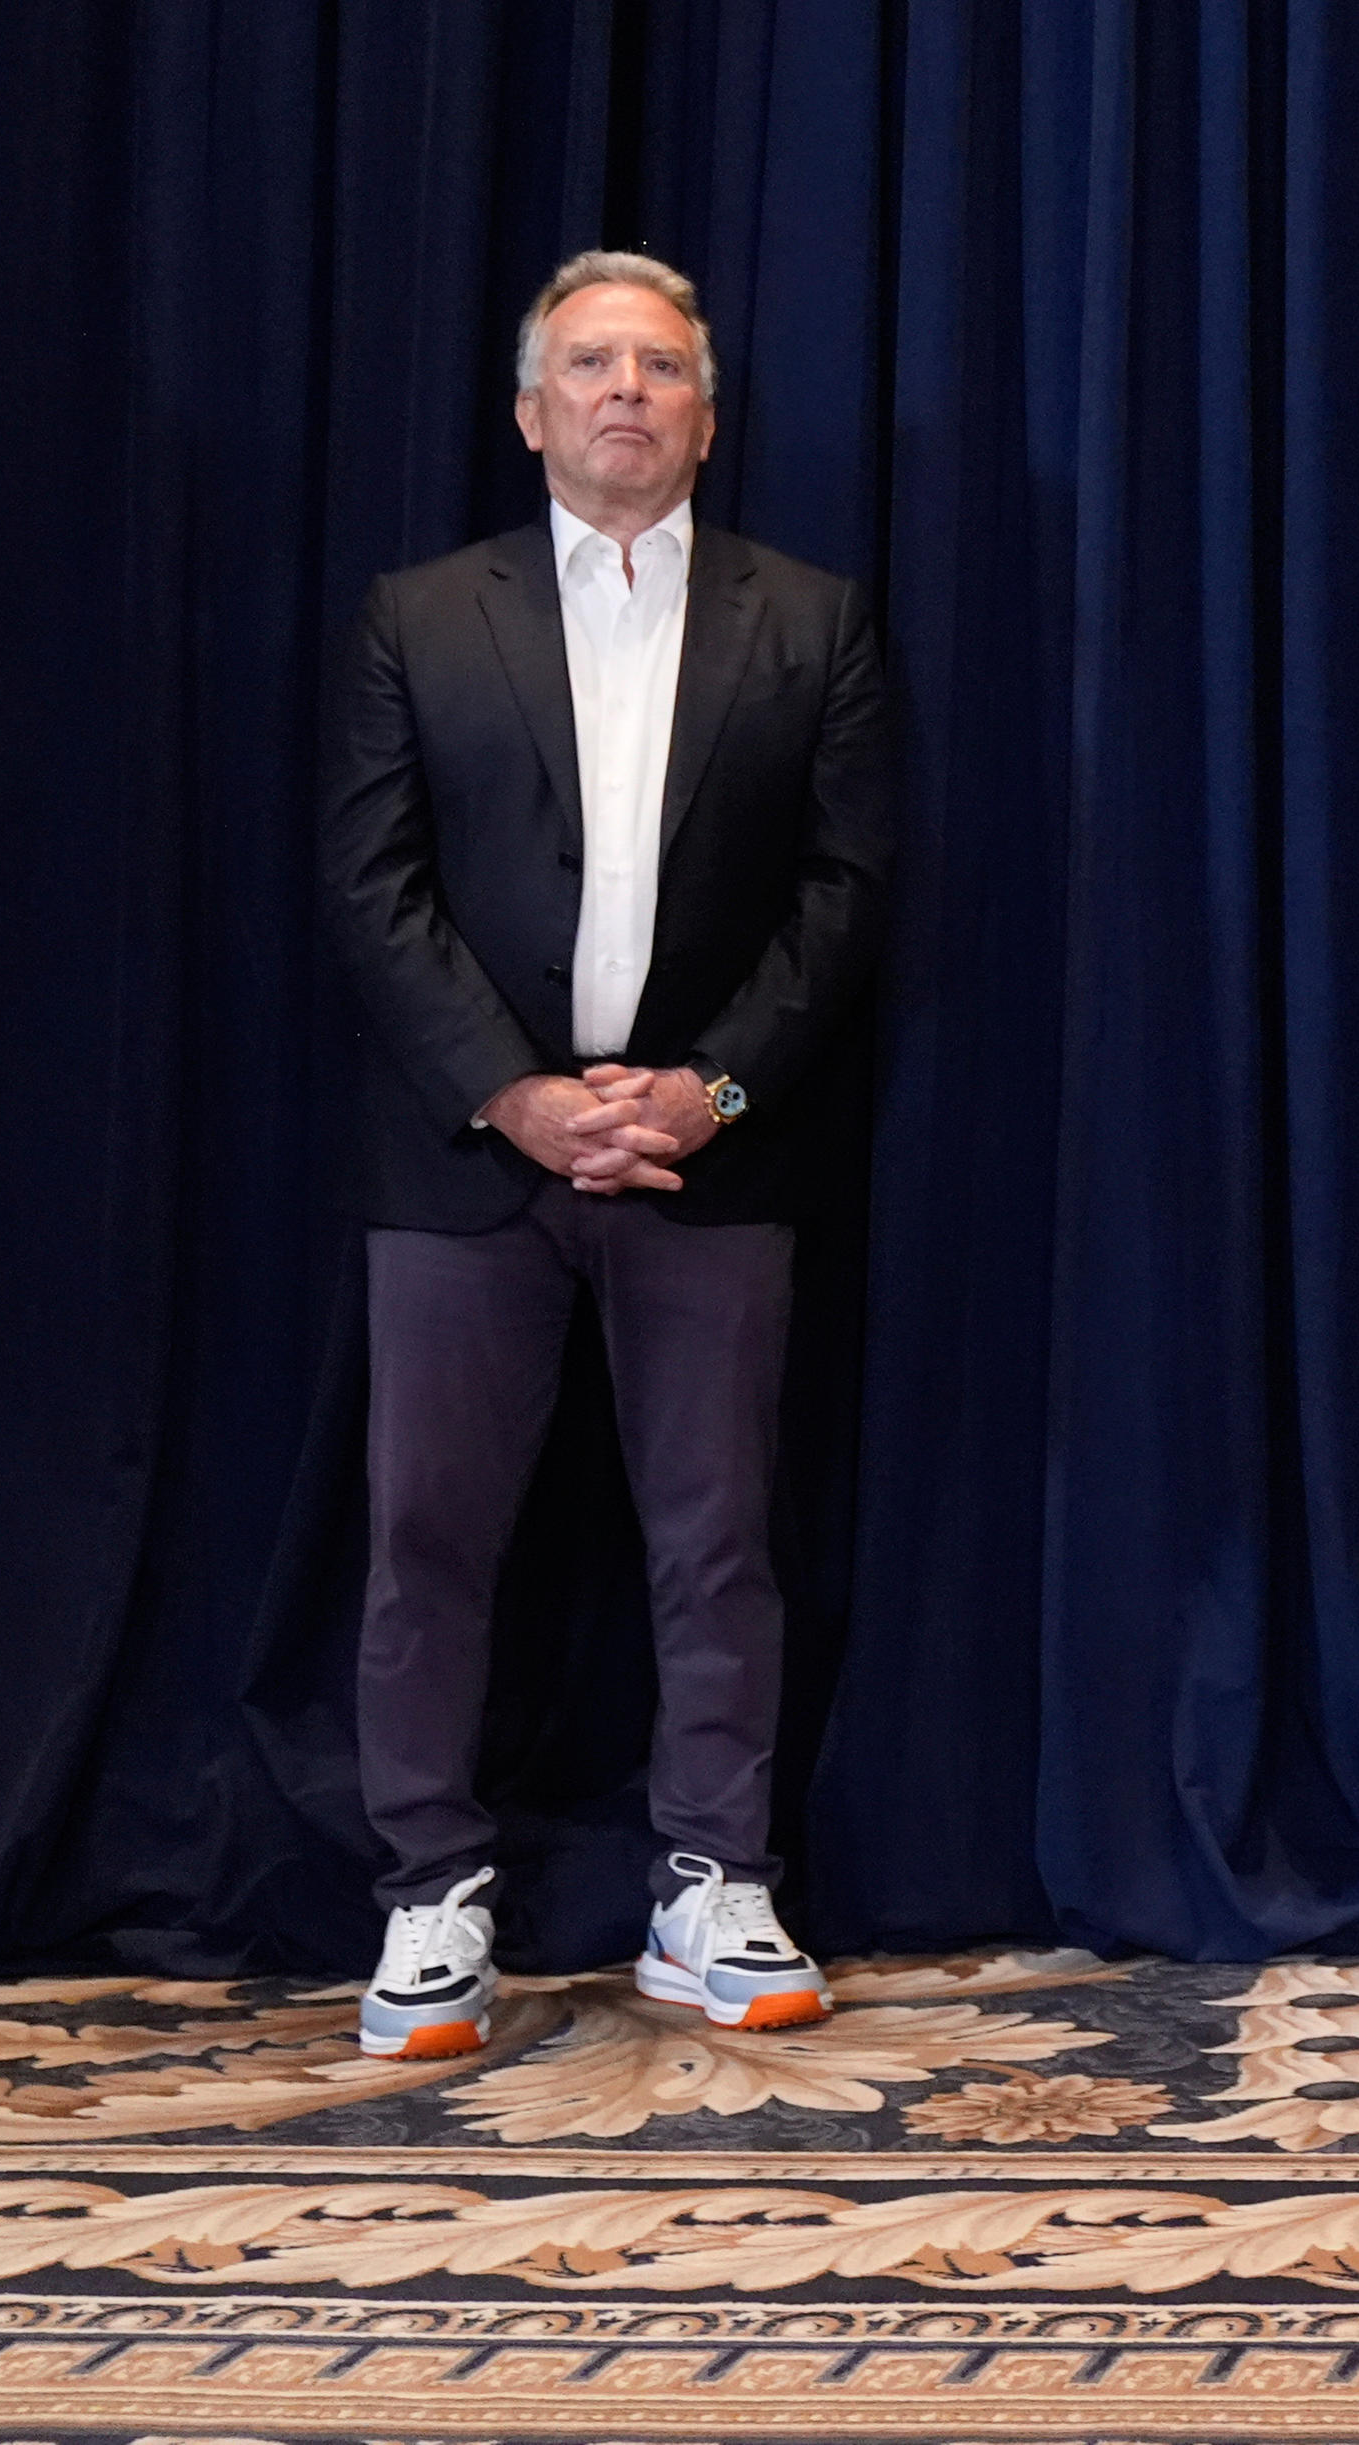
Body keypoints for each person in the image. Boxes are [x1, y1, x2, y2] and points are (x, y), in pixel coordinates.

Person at [318, 250, 896, 2057]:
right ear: (530, 410)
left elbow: (845, 886)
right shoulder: (419, 614)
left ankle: (711, 1879)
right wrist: (515, 1090)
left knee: (717, 1535)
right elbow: (368, 879)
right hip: (470, 1158)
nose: (626, 390)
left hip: (706, 1158)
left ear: (707, 416)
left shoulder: (811, 618)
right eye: (591, 363)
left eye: (659, 365)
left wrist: (708, 1090)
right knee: (429, 1534)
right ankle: (429, 1889)